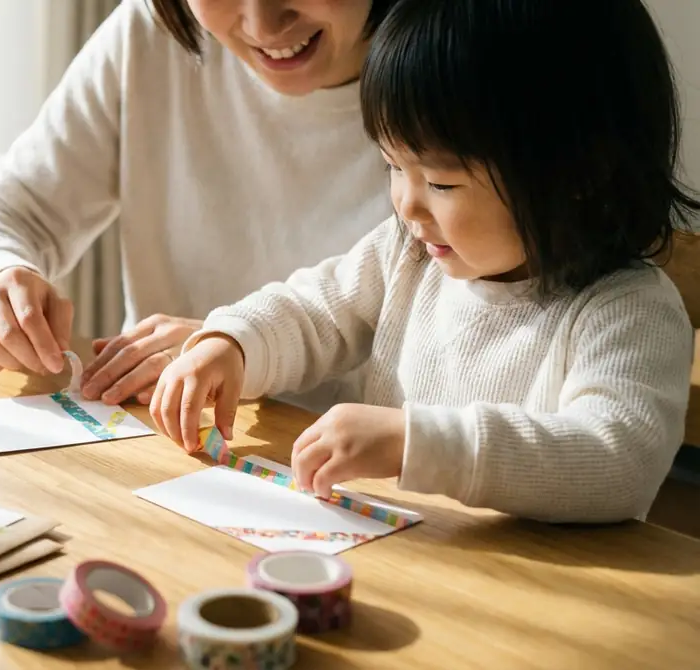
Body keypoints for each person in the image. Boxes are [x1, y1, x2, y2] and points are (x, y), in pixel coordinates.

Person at [150, 0, 700, 523]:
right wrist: (234, 344)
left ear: (582, 177)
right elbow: (314, 311)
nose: (407, 204)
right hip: (406, 559)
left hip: (536, 598)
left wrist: (415, 442)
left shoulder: (630, 311)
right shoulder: (410, 255)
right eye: (393, 166)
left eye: (440, 181)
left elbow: (616, 461)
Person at [0, 0, 399, 408]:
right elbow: (1, 213)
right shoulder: (152, 33)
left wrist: (234, 347)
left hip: (352, 481)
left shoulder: (452, 74)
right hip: (152, 444)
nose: (263, 24)